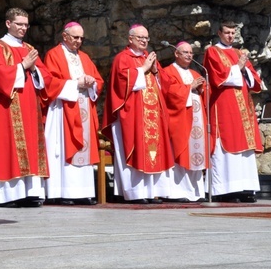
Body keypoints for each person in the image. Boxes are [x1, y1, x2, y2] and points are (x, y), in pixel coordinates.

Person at [0, 8, 52, 207]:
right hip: (7, 106)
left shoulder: (29, 48)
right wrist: (22, 66)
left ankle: (30, 192)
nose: (23, 28)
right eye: (19, 24)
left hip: (29, 106)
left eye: (25, 25)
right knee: (8, 146)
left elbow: (45, 77)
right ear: (8, 24)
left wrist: (34, 68)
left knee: (30, 145)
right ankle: (6, 196)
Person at [103, 24, 174, 204]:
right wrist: (142, 69)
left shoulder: (149, 58)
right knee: (134, 150)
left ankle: (151, 192)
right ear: (130, 39)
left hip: (152, 117)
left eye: (146, 38)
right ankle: (135, 193)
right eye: (140, 37)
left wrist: (155, 70)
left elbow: (165, 84)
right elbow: (120, 84)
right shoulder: (122, 58)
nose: (144, 41)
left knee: (153, 151)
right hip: (132, 116)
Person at [42, 22, 104, 205]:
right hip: (63, 109)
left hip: (83, 107)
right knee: (63, 148)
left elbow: (98, 80)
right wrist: (75, 83)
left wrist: (92, 83)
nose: (78, 41)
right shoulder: (54, 55)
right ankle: (63, 192)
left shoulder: (84, 57)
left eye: (81, 38)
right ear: (64, 36)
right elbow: (50, 82)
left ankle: (82, 192)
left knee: (84, 147)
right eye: (75, 37)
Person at [203, 21, 262, 203]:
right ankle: (226, 189)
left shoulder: (239, 53)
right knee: (227, 144)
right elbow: (218, 77)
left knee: (244, 146)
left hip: (243, 107)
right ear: (219, 33)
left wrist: (243, 68)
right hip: (224, 105)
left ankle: (245, 188)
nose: (230, 36)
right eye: (227, 32)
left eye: (233, 33)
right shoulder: (213, 51)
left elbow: (255, 80)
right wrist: (239, 67)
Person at [161, 41, 209, 202]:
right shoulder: (168, 71)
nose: (189, 55)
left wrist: (203, 89)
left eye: (191, 53)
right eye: (185, 52)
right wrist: (190, 87)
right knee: (180, 153)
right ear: (176, 54)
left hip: (197, 121)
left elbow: (207, 94)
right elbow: (169, 93)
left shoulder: (196, 73)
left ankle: (196, 192)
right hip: (179, 120)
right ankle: (177, 192)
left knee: (196, 154)